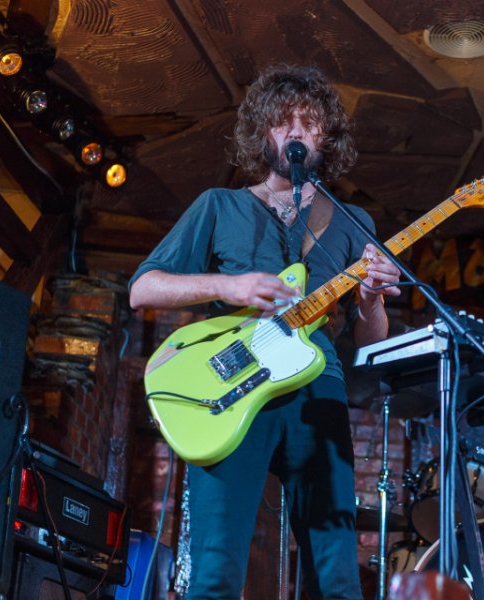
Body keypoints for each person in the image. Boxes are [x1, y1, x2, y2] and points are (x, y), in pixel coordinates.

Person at [129, 64, 401, 600]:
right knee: (214, 573)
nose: (296, 132)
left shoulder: (352, 223)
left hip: (317, 388)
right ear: (263, 132)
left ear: (327, 137)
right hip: (229, 387)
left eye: (309, 123)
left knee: (336, 576)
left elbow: (373, 343)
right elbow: (143, 289)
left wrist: (370, 298)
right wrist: (230, 286)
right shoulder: (220, 205)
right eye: (283, 121)